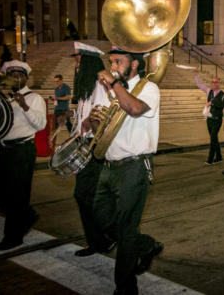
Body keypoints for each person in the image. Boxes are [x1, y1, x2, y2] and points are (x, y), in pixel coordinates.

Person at [84, 46, 163, 294]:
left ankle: (126, 287)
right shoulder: (108, 90)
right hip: (109, 164)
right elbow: (99, 126)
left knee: (127, 227)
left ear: (135, 64)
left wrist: (114, 85)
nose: (113, 66)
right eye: (111, 62)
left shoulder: (149, 88)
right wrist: (94, 119)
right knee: (100, 215)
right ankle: (145, 244)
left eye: (118, 61)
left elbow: (135, 109)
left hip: (135, 166)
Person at [69, 42, 115, 257]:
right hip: (84, 145)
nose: (75, 63)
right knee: (87, 196)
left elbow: (104, 114)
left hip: (94, 148)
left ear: (87, 61)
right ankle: (100, 240)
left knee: (86, 195)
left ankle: (104, 238)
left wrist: (90, 120)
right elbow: (83, 118)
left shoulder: (100, 86)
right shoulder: (86, 87)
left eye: (78, 58)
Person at [0, 60, 46, 250]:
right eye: (13, 75)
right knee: (3, 193)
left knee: (18, 194)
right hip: (3, 148)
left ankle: (13, 237)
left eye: (20, 75)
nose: (16, 78)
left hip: (22, 150)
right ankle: (26, 215)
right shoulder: (3, 97)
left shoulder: (34, 98)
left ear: (26, 77)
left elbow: (40, 124)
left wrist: (24, 106)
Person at [195, 72, 224, 165]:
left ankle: (210, 159)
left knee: (213, 138)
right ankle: (219, 157)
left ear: (219, 83)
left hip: (217, 119)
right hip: (209, 119)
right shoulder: (209, 91)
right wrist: (196, 75)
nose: (214, 84)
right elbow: (200, 85)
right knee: (214, 138)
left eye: (216, 82)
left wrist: (212, 103)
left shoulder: (223, 95)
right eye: (212, 82)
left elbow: (223, 105)